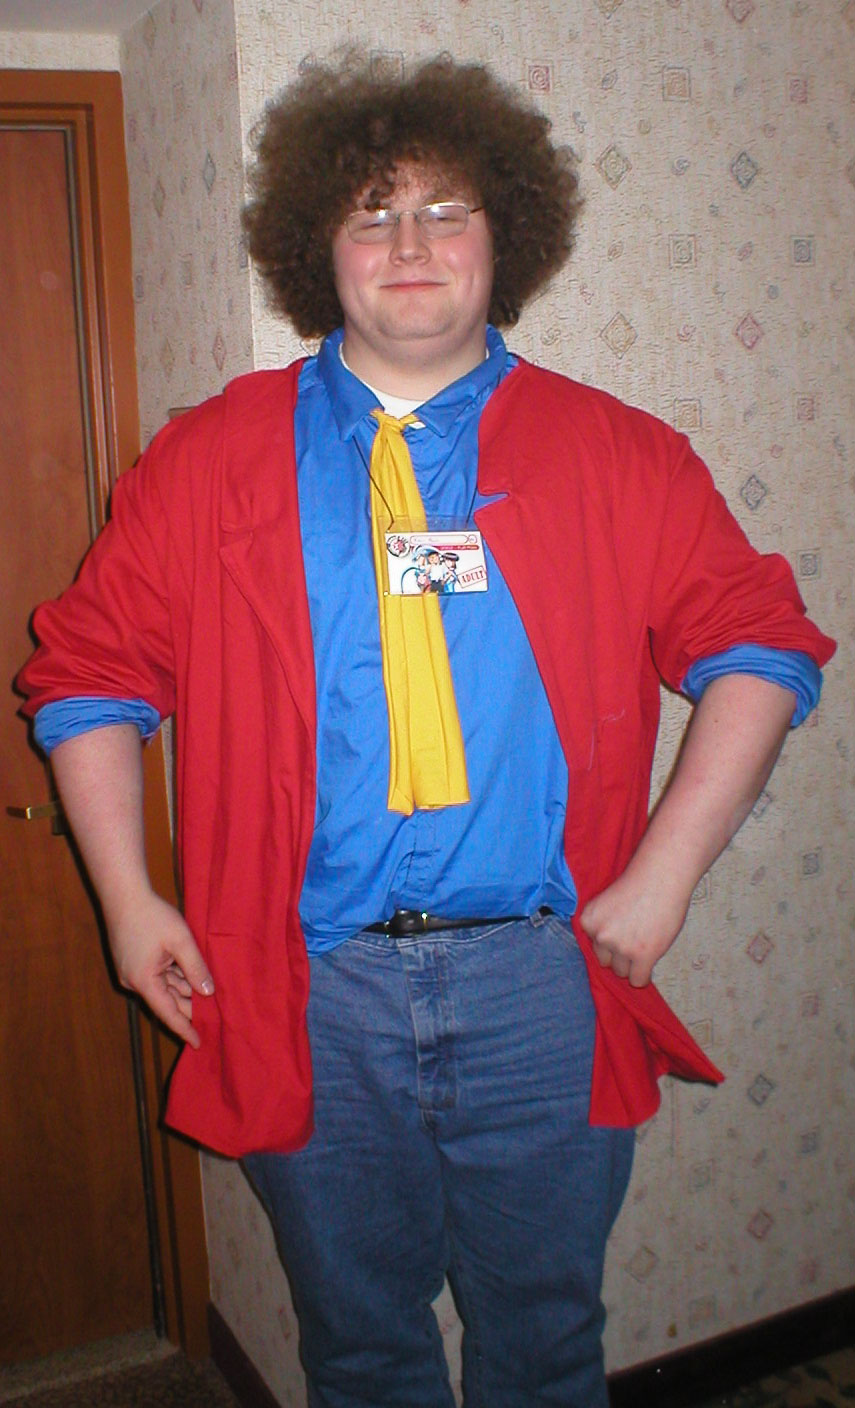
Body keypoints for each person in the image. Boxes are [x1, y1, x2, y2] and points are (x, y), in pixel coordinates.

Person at [17, 54, 834, 1408]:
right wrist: (126, 900)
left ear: (505, 236)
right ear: (316, 248)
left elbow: (761, 645)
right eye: (372, 215)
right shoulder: (207, 459)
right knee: (360, 1352)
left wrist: (667, 874)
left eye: (446, 211)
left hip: (540, 982)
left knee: (546, 1347)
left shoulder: (620, 452)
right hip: (305, 986)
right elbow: (89, 676)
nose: (410, 246)